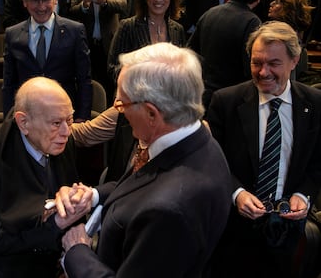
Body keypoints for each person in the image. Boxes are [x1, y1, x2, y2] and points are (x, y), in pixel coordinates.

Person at [58, 42, 233, 277]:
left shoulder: (169, 211)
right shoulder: (194, 139)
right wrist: (94, 195)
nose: (118, 110)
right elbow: (141, 186)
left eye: (122, 103)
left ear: (152, 114)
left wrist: (77, 252)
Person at [207, 21, 321, 278]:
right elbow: (212, 163)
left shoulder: (314, 105)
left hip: (287, 233)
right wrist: (236, 193)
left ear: (295, 60)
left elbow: (317, 163)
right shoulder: (226, 102)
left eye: (274, 63)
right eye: (257, 62)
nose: (263, 72)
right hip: (233, 232)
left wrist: (303, 195)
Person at [0, 77, 91, 277]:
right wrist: (55, 225)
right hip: (0, 269)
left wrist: (77, 203)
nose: (66, 131)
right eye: (56, 123)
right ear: (23, 122)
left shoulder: (60, 140)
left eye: (69, 120)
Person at [2, 0, 92, 121]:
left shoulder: (74, 31)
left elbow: (84, 80)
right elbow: (8, 84)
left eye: (46, 0)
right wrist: (8, 122)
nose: (41, 7)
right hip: (28, 118)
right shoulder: (13, 34)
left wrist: (81, 118)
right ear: (24, 1)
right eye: (34, 1)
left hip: (64, 116)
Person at [188, 0, 266, 111]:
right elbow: (249, 67)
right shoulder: (252, 22)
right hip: (231, 100)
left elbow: (190, 53)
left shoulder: (210, 13)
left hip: (201, 94)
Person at [107, 0, 185, 84]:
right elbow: (113, 69)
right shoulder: (128, 27)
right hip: (135, 97)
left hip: (169, 98)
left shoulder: (178, 30)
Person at [69, 0, 127, 102]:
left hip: (110, 44)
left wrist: (104, 2)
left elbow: (123, 5)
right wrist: (84, 5)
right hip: (86, 44)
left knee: (111, 84)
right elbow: (71, 11)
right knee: (88, 83)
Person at [268, 0, 315, 79]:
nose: (271, 4)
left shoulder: (286, 40)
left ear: (287, 8)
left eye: (277, 2)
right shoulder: (292, 37)